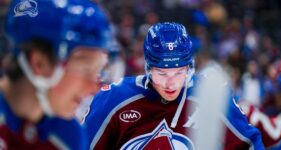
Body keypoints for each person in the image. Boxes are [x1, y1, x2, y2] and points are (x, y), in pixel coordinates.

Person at [84, 22, 264, 149]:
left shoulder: (209, 97)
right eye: (162, 73)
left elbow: (249, 145)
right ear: (148, 68)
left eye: (179, 72)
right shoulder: (114, 99)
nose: (171, 83)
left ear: (189, 67)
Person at [0, 0, 110, 149]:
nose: (94, 87)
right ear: (39, 63)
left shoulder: (70, 136)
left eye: (98, 70)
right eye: (86, 69)